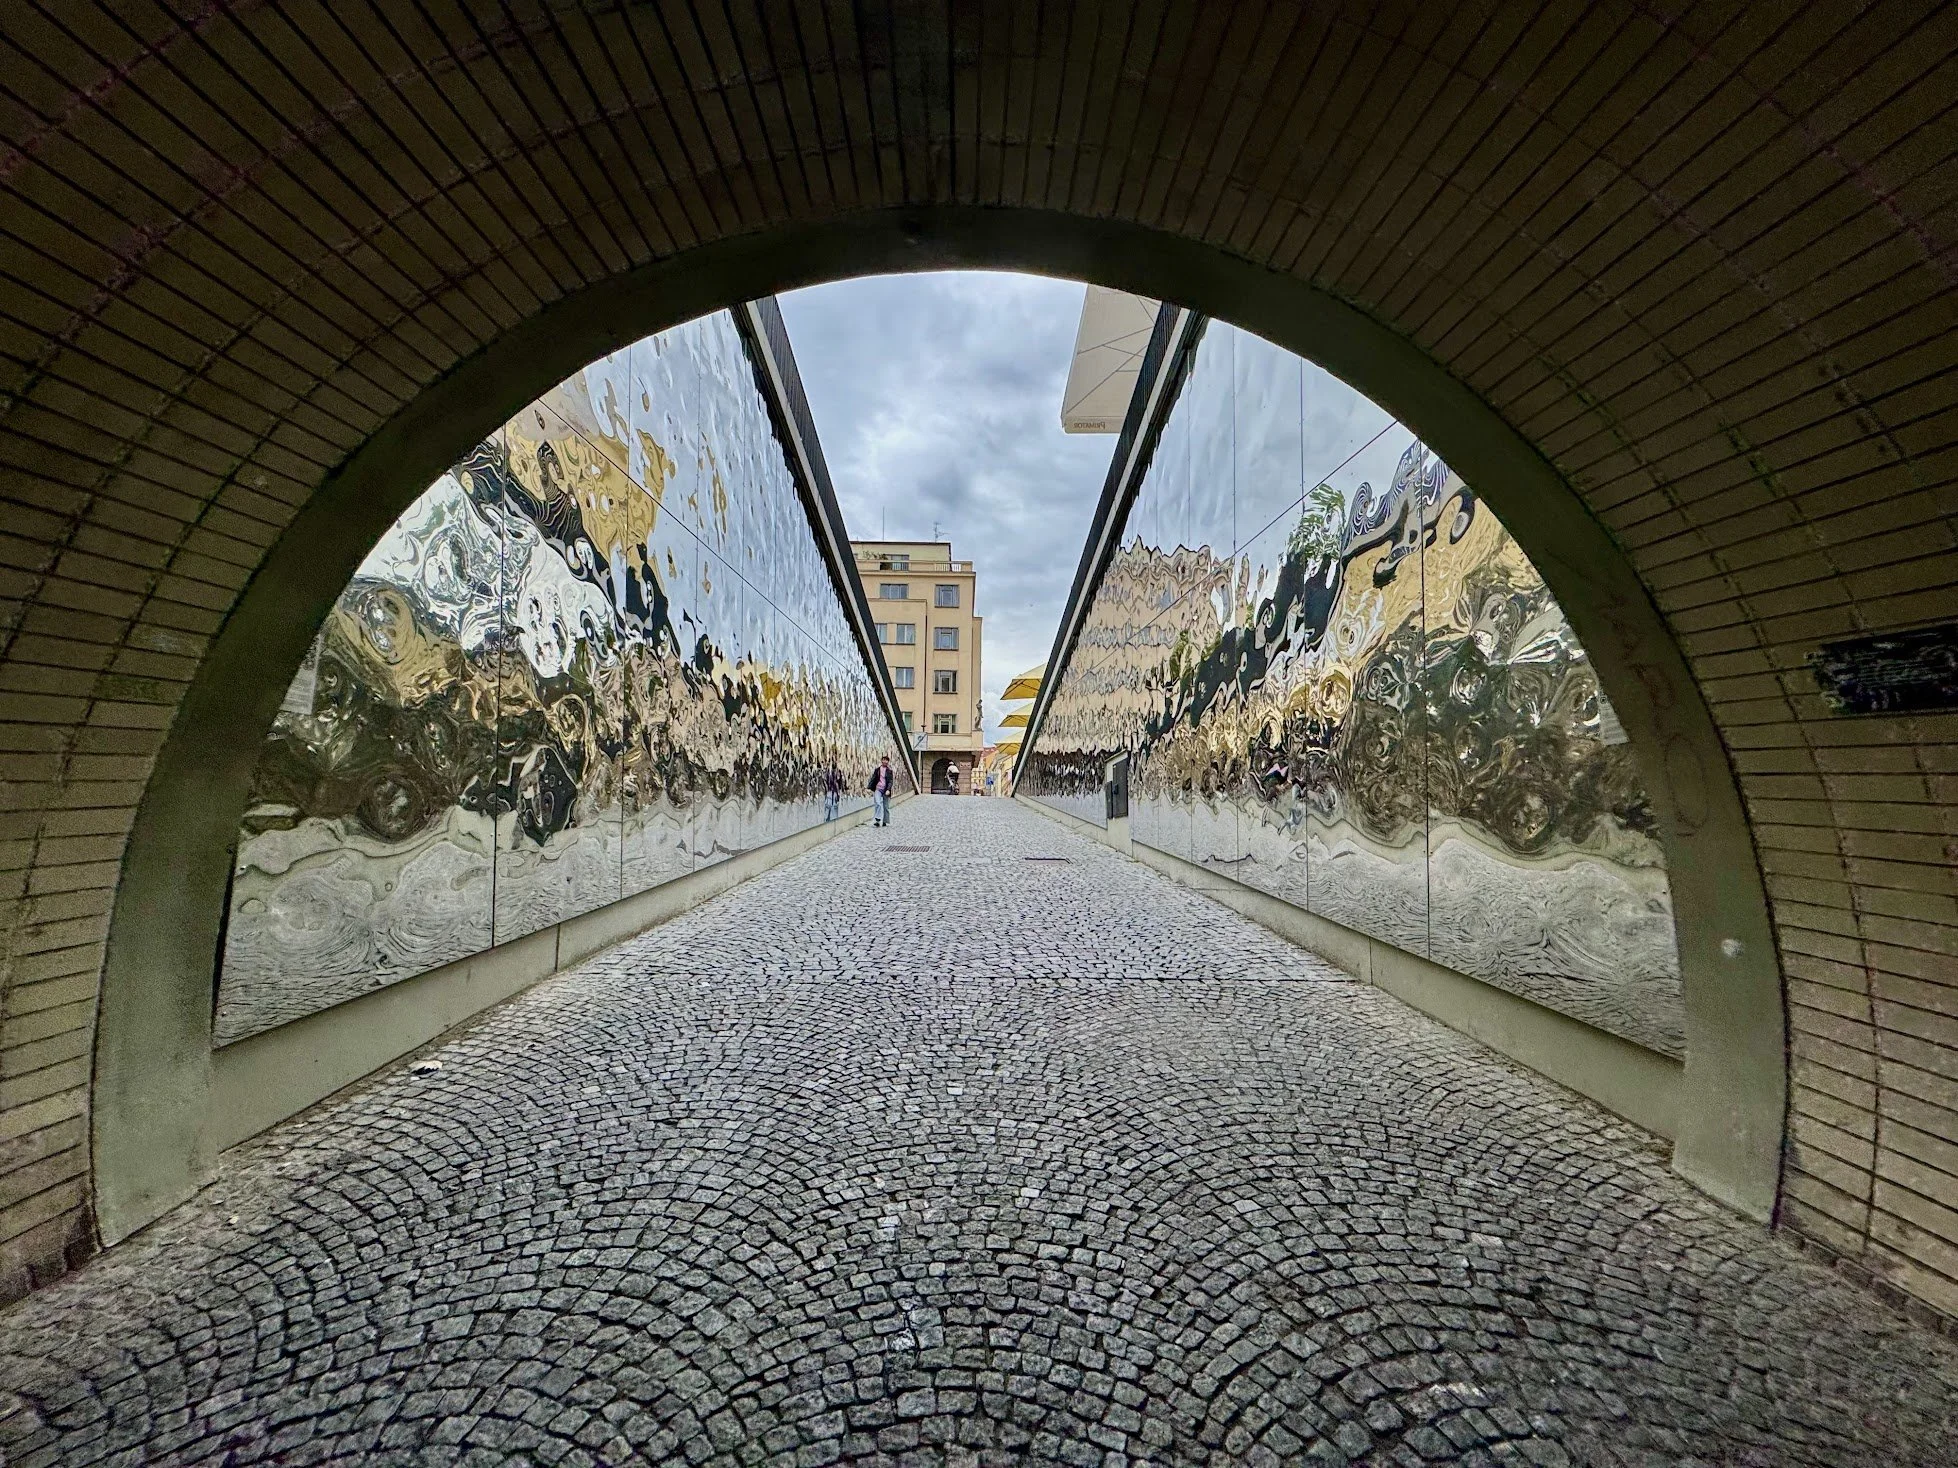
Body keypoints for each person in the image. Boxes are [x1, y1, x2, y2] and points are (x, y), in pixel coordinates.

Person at [868, 756, 896, 827]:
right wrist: (869, 787)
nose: (885, 762)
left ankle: (885, 821)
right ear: (881, 761)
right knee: (878, 803)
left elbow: (890, 781)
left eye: (886, 760)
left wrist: (888, 789)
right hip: (878, 789)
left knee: (886, 806)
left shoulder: (889, 771)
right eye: (884, 760)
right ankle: (877, 820)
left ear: (888, 762)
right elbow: (873, 778)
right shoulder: (877, 770)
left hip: (885, 790)